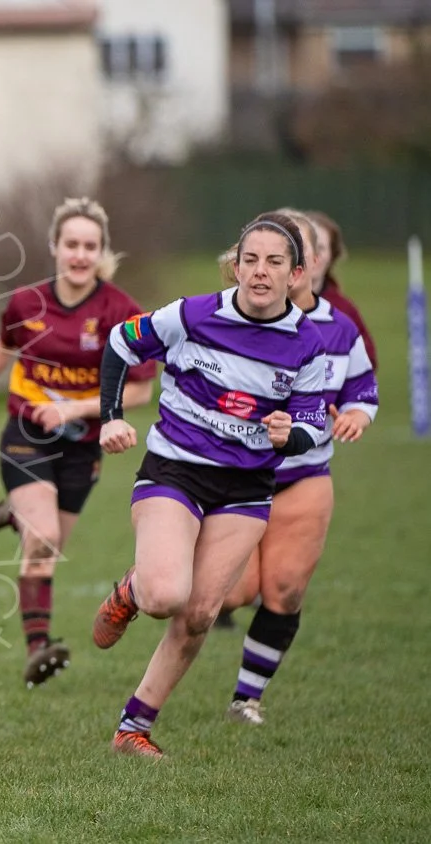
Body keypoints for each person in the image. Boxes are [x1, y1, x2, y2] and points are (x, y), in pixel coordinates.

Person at [92, 211, 330, 759]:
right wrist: (110, 416)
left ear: (295, 272)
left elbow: (314, 425)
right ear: (236, 266)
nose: (260, 272)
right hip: (175, 470)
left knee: (199, 613)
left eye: (274, 262)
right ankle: (131, 589)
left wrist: (288, 435)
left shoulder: (306, 344)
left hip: (246, 488)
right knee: (164, 595)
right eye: (250, 260)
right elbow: (121, 342)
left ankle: (133, 729)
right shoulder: (193, 316)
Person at [0, 197, 156, 687]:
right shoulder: (27, 303)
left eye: (90, 246)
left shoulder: (120, 311)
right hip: (26, 433)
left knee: (49, 543)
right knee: (42, 540)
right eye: (71, 245)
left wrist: (76, 409)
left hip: (84, 445)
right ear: (55, 248)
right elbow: (4, 345)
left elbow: (144, 387)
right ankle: (38, 648)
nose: (80, 255)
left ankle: (16, 514)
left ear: (101, 250)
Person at [219, 210, 377, 725]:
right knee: (236, 590)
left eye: (300, 253)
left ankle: (247, 699)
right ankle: (153, 578)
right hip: (239, 474)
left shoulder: (340, 328)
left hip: (305, 477)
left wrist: (355, 414)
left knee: (284, 589)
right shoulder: (232, 318)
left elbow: (363, 390)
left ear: (304, 265)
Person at [308, 211, 377, 370]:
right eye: (308, 247)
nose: (314, 256)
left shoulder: (343, 309)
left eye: (321, 248)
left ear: (332, 256)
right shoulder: (276, 303)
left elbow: (369, 360)